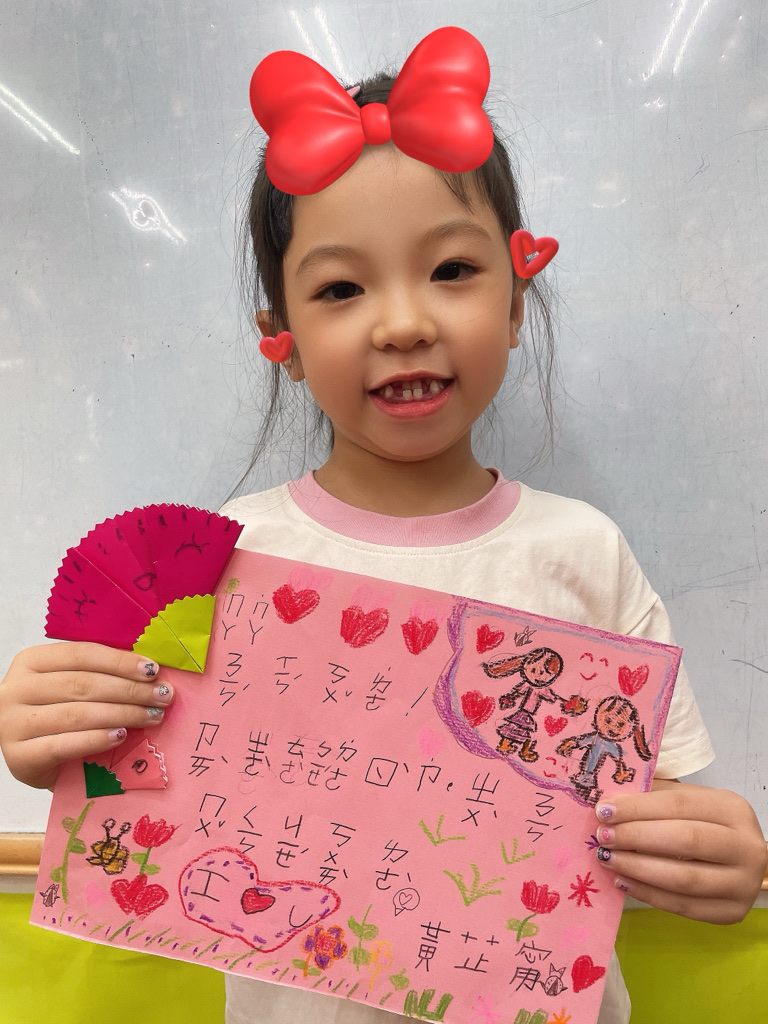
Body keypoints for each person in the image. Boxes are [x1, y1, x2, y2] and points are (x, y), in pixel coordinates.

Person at [0, 26, 765, 1024]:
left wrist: (723, 852)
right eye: (341, 288)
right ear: (282, 337)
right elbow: (143, 788)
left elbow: (661, 808)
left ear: (517, 297)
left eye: (451, 269)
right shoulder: (226, 561)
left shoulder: (583, 554)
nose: (403, 322)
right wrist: (55, 740)